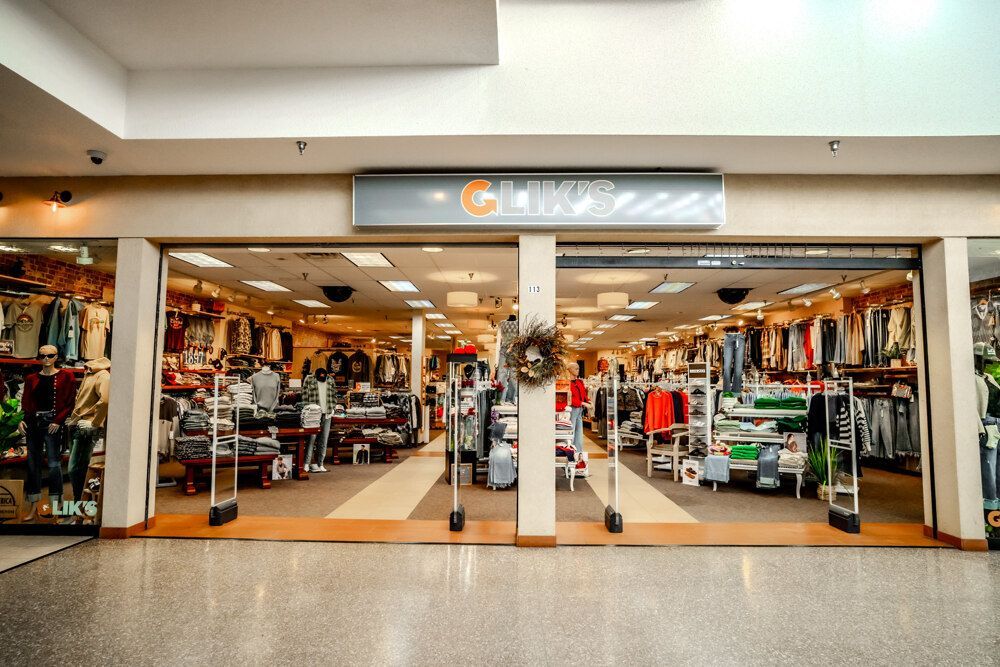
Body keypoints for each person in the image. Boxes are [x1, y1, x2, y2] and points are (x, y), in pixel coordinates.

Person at [18, 345, 77, 521]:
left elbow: (69, 402)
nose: (45, 359)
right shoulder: (31, 378)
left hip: (52, 423)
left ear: (56, 357)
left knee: (53, 464)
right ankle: (33, 506)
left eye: (49, 356)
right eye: (42, 356)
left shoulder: (66, 376)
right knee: (32, 464)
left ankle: (55, 505)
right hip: (33, 423)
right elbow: (26, 401)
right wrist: (22, 418)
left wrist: (58, 421)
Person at [302, 367, 337, 472]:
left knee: (324, 439)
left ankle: (320, 463)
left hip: (327, 413)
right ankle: (306, 463)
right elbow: (304, 396)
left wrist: (333, 408)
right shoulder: (309, 379)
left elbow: (334, 395)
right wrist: (306, 410)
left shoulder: (330, 380)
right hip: (313, 414)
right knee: (311, 439)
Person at [569, 362, 592, 453]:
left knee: (579, 432)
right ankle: (570, 450)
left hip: (579, 410)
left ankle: (578, 452)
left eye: (578, 368)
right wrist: (583, 403)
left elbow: (583, 393)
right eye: (576, 368)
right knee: (571, 430)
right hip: (572, 409)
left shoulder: (579, 382)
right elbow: (570, 398)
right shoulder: (567, 383)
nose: (578, 370)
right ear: (570, 370)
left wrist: (588, 401)